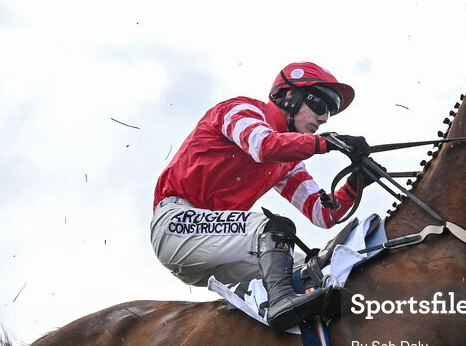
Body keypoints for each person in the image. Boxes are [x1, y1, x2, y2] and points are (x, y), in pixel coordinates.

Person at [151, 62, 371, 331]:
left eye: (330, 114)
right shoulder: (240, 110)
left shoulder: (287, 161)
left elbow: (321, 213)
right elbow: (263, 146)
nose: (324, 118)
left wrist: (355, 184)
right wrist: (327, 143)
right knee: (275, 229)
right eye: (321, 106)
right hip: (177, 226)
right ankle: (280, 305)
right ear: (290, 97)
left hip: (215, 251)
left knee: (319, 266)